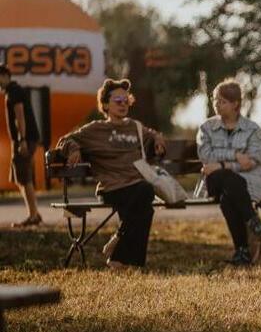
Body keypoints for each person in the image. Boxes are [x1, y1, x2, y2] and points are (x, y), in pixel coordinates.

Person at [56, 79, 166, 269]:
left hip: (136, 188)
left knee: (146, 206)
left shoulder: (135, 126)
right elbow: (65, 140)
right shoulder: (95, 129)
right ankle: (120, 254)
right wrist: (74, 149)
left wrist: (158, 140)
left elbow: (154, 134)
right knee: (146, 192)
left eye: (126, 100)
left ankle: (121, 257)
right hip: (112, 188)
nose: (123, 104)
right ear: (105, 104)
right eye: (118, 101)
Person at [197, 80, 261, 266]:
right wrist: (235, 156)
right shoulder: (206, 128)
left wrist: (223, 165)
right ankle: (251, 218)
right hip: (215, 181)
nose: (216, 104)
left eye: (222, 101)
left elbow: (254, 159)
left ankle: (242, 251)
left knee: (228, 198)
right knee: (227, 180)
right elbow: (205, 155)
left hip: (248, 180)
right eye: (215, 100)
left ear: (235, 104)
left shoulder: (252, 129)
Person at [0, 65, 43, 227]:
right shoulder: (12, 91)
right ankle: (34, 213)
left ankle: (33, 216)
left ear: (5, 75)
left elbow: (20, 116)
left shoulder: (14, 91)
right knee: (20, 177)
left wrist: (22, 139)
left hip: (25, 139)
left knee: (24, 177)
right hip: (21, 140)